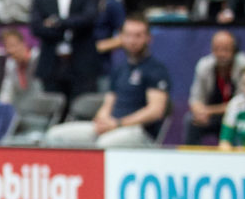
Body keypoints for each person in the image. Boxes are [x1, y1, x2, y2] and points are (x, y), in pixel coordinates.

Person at [44, 15, 170, 148]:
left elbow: (156, 110)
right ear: (121, 37)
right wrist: (102, 121)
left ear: (149, 38)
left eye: (138, 35)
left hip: (138, 130)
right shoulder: (120, 69)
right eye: (128, 35)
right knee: (55, 136)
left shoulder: (156, 70)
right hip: (112, 125)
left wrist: (119, 124)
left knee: (104, 144)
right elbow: (109, 102)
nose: (132, 40)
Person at [30, 0, 99, 106]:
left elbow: (88, 19)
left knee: (82, 107)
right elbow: (36, 27)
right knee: (53, 110)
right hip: (52, 63)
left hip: (81, 62)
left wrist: (57, 22)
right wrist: (69, 26)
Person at [185, 30, 245, 145]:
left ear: (234, 50)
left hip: (237, 115)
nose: (221, 54)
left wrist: (208, 110)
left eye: (225, 49)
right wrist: (199, 111)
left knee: (243, 121)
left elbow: (242, 103)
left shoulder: (243, 65)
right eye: (216, 49)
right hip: (213, 116)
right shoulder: (204, 66)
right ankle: (192, 159)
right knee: (191, 120)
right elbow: (195, 98)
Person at [80, 0, 124, 78]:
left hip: (101, 67)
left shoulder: (111, 4)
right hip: (75, 66)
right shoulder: (71, 3)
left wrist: (98, 47)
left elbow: (124, 37)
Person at [0, 26, 40, 107]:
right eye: (7, 47)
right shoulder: (10, 64)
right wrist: (0, 106)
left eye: (13, 45)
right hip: (22, 109)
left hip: (42, 107)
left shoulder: (38, 58)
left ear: (23, 43)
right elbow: (7, 90)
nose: (11, 50)